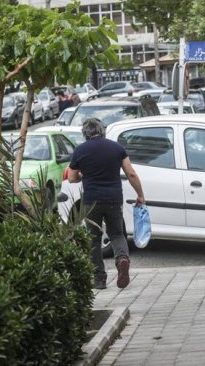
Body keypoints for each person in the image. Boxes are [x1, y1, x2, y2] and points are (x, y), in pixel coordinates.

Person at [67, 118, 145, 290]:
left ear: (85, 133)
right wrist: (140, 195)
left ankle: (99, 279)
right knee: (117, 234)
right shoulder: (116, 147)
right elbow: (131, 173)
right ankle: (122, 259)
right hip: (113, 198)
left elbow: (72, 177)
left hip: (91, 201)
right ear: (102, 130)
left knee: (93, 238)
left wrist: (83, 176)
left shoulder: (80, 150)